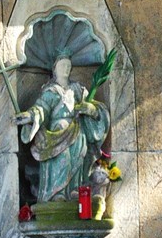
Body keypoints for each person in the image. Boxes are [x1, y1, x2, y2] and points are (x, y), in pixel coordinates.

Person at [15, 55, 110, 203]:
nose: (65, 69)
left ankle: (75, 190)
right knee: (62, 159)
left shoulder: (78, 90)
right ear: (55, 69)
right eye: (62, 66)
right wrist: (29, 116)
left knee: (76, 160)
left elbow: (92, 106)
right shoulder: (50, 91)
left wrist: (92, 109)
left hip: (77, 132)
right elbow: (41, 109)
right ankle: (56, 194)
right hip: (55, 134)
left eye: (68, 66)